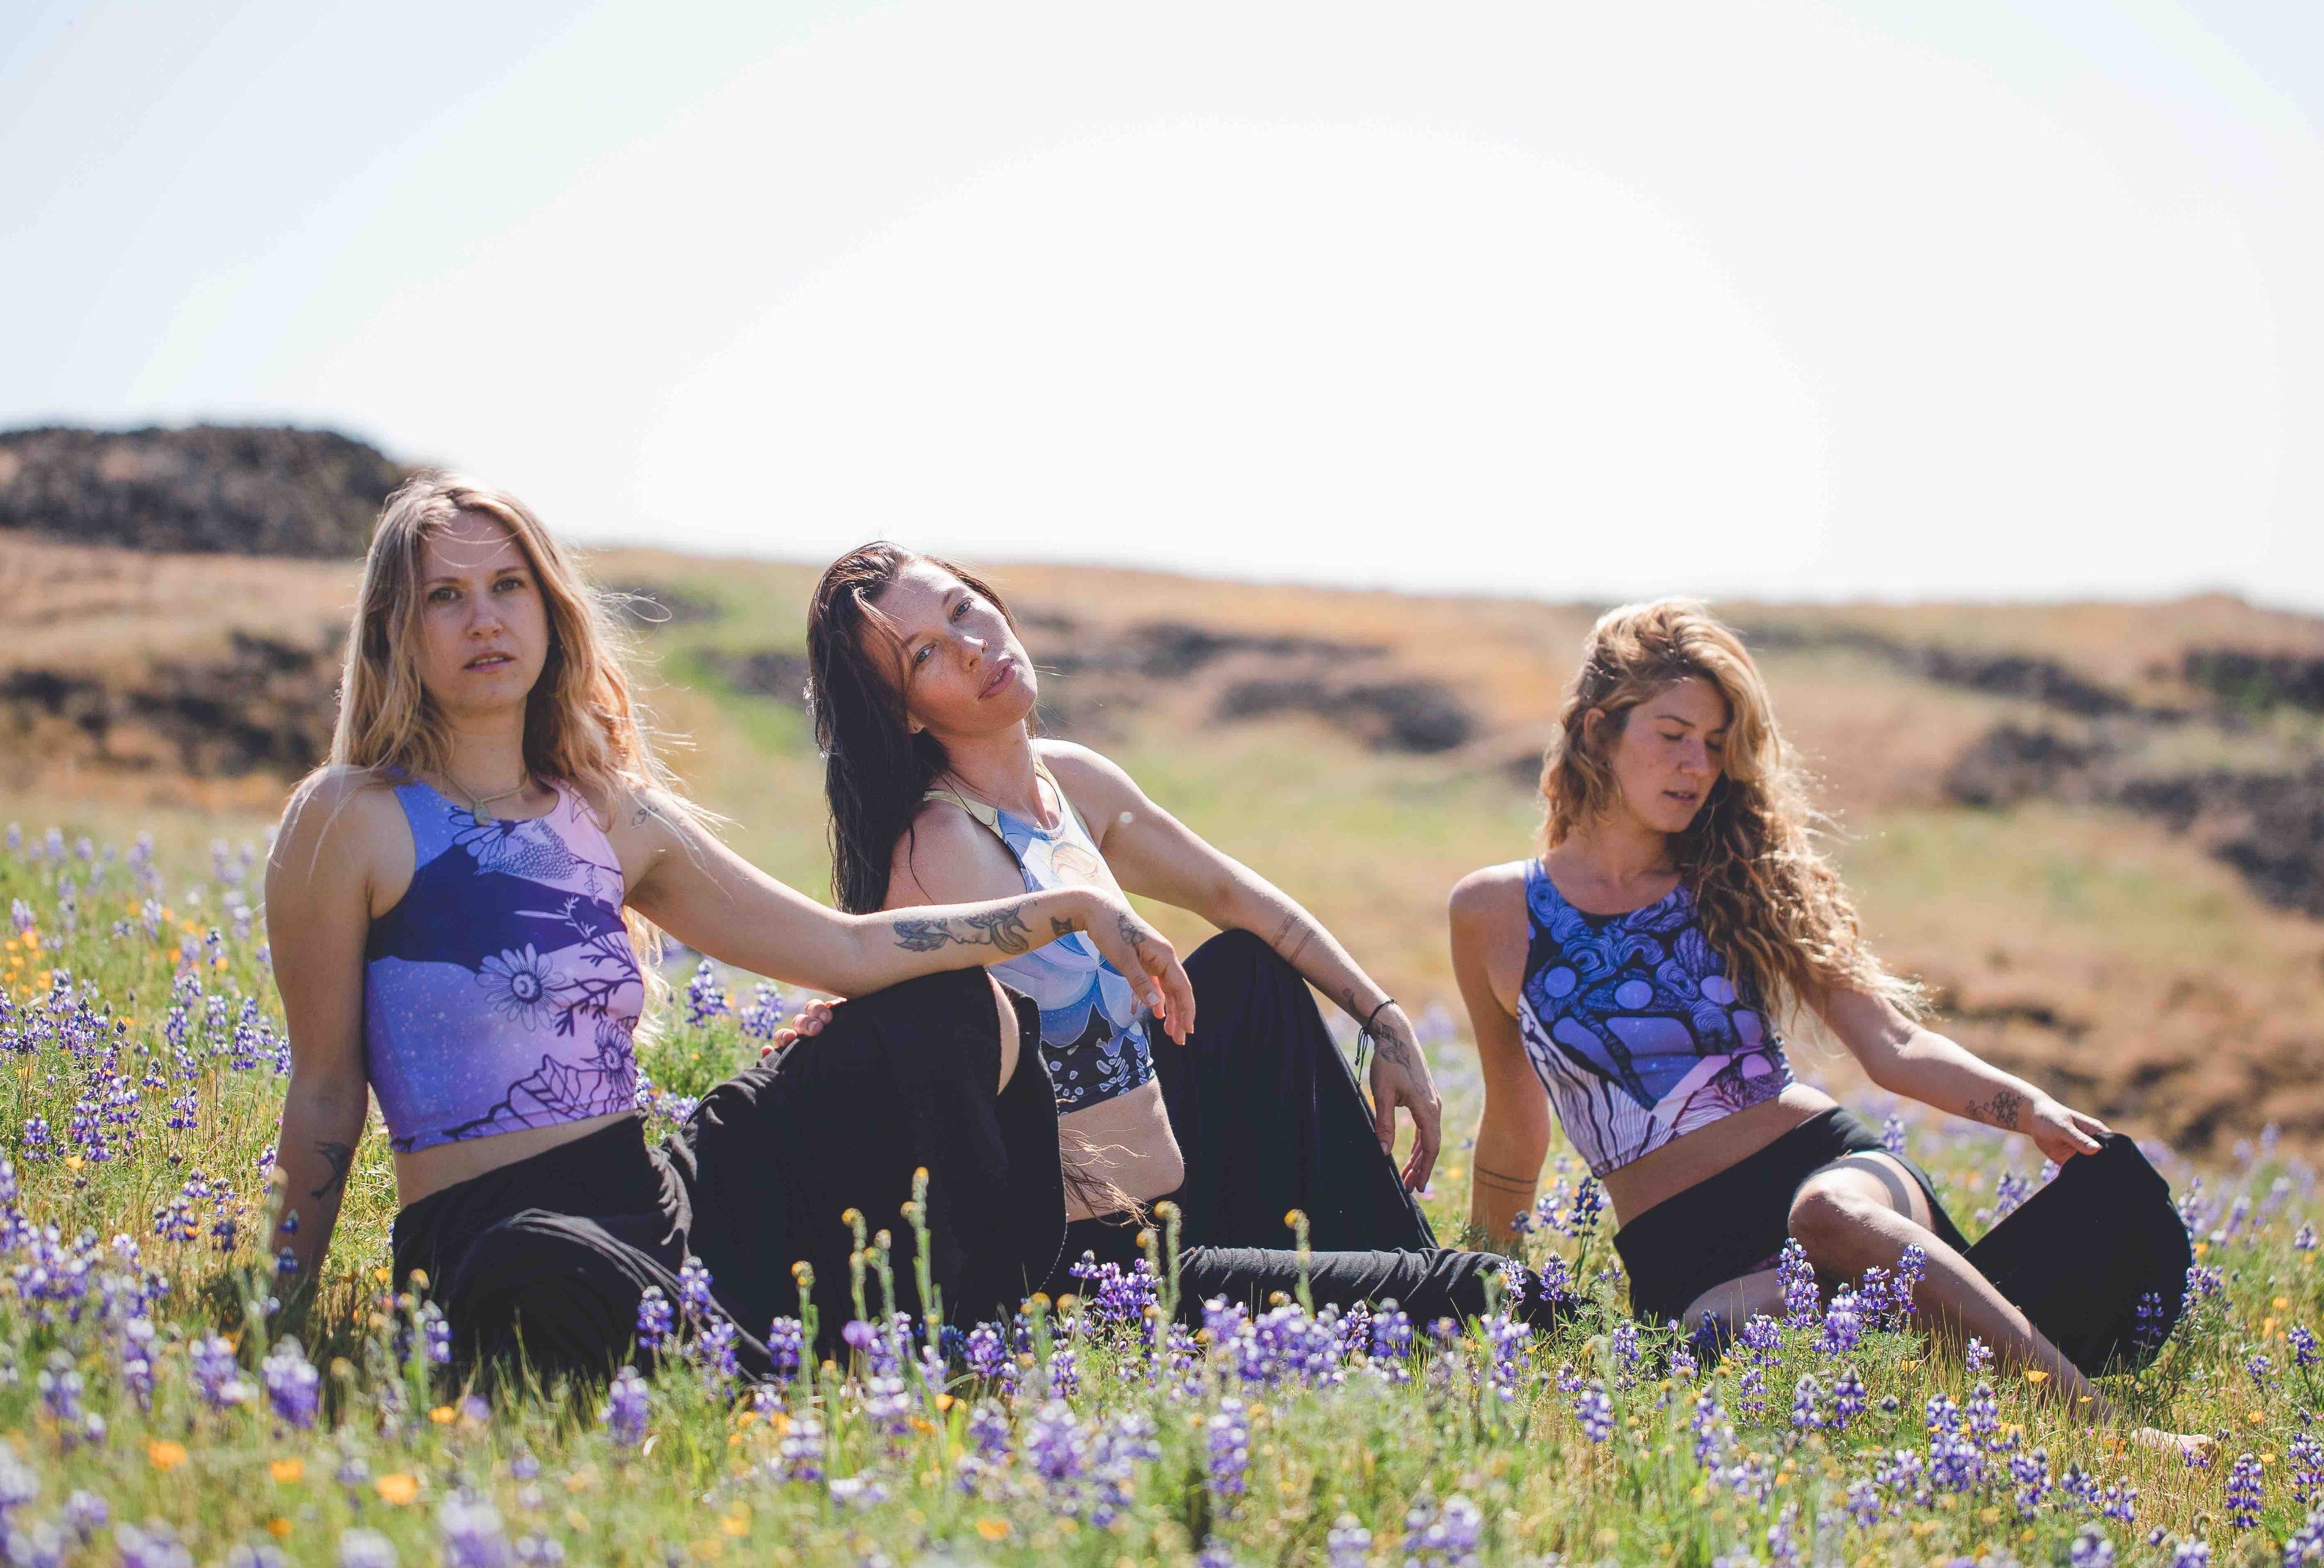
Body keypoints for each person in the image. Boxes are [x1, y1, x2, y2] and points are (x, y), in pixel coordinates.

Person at [260, 476, 1200, 1385]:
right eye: (445, 597)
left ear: (550, 609)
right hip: (491, 1239)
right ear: (396, 628)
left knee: (949, 1005)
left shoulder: (610, 814)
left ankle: (961, 1342)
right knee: (539, 1269)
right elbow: (327, 1091)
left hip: (657, 1207)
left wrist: (1067, 909)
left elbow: (847, 949)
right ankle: (745, 1360)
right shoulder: (350, 817)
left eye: (509, 586)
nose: (485, 620)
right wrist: (280, 1311)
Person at [1452, 599, 2194, 1406]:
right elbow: (1514, 1128)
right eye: (1672, 736)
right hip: (1680, 1256)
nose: (1696, 766)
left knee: (1828, 1214)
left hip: (1834, 1177)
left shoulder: (1741, 877)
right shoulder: (1493, 914)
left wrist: (2029, 1110)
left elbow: (1894, 1045)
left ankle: (2088, 1415)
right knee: (1704, 1347)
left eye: (1714, 745)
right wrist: (1483, 1298)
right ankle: (1958, 1329)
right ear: (1599, 731)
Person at [800, 543, 1534, 1324]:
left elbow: (1231, 893)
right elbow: (895, 1009)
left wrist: (1383, 1020)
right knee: (1492, 1292)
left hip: (1181, 1189)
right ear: (905, 711)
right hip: (1096, 1261)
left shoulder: (1069, 780)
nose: (974, 647)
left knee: (1250, 969)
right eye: (927, 656)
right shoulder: (939, 848)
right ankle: (1415, 1289)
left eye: (962, 609)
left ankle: (1395, 1257)